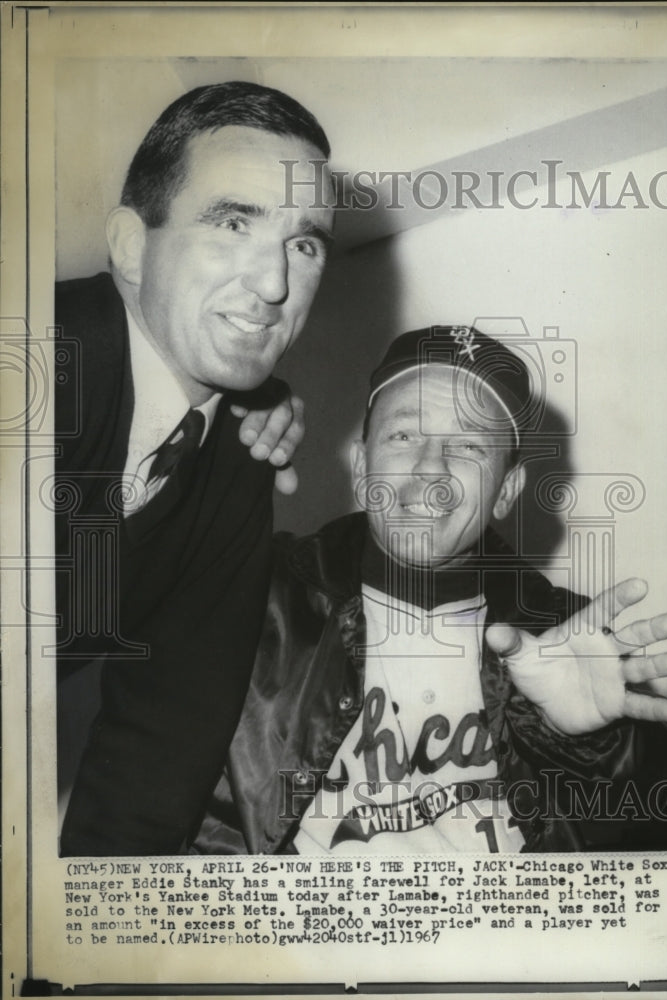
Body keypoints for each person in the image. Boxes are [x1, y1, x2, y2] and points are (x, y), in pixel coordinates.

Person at [194, 324, 667, 854]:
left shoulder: (566, 634)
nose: (431, 467)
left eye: (468, 445)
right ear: (363, 467)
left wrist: (594, 742)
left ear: (506, 489)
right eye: (404, 435)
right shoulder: (254, 592)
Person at [55, 81, 335, 856]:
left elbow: (162, 748)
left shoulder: (235, 462)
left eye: (303, 242)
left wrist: (87, 944)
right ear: (131, 245)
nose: (275, 285)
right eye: (234, 222)